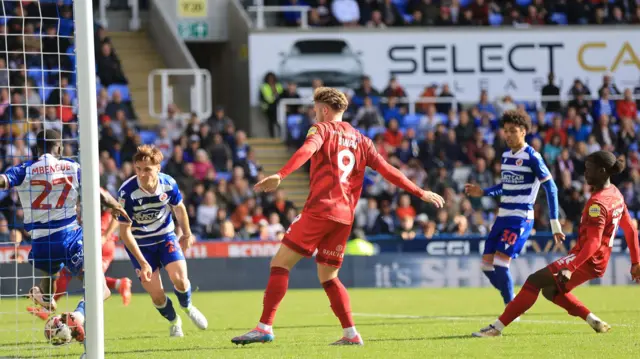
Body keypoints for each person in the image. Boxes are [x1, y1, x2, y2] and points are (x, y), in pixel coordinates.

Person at [231, 87, 444, 346]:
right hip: (344, 217)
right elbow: (389, 170)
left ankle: (264, 327)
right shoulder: (363, 141)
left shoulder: (321, 130)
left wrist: (282, 174)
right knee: (328, 277)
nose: (314, 113)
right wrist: (420, 191)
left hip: (320, 209)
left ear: (324, 109)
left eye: (315, 108)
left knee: (280, 264)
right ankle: (351, 334)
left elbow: (308, 150)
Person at [472, 151, 640, 337]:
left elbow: (594, 241)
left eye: (588, 169)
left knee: (533, 281)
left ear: (601, 171)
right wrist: (635, 262)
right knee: (551, 291)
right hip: (598, 260)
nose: (584, 173)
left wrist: (571, 267)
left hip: (586, 258)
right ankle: (593, 320)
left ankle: (496, 328)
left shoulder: (597, 204)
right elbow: (630, 229)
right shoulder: (615, 193)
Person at [0, 130, 131, 343]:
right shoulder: (72, 167)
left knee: (50, 291)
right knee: (100, 288)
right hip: (69, 236)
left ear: (36, 149)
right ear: (59, 148)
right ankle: (77, 316)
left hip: (41, 242)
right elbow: (97, 193)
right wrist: (115, 206)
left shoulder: (25, 170)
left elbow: (3, 181)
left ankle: (43, 297)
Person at [464, 110, 564, 308]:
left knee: (501, 264)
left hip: (520, 218)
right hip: (502, 217)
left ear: (524, 132)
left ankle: (512, 308)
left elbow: (551, 186)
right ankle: (513, 302)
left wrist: (555, 222)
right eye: (505, 131)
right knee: (486, 266)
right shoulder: (506, 156)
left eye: (513, 131)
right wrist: (484, 192)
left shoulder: (533, 157)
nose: (508, 135)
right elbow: (505, 186)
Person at [117, 145, 208, 337]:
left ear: (158, 168)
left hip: (165, 236)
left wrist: (187, 233)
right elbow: (124, 232)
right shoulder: (127, 192)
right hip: (141, 245)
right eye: (138, 169)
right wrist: (142, 262)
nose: (142, 174)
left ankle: (188, 307)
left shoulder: (168, 184)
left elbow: (179, 207)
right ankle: (175, 322)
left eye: (147, 169)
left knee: (180, 280)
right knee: (157, 295)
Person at [27, 204, 133, 321]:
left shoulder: (93, 193)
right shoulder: (86, 196)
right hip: (92, 241)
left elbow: (116, 209)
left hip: (100, 243)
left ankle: (73, 313)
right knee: (76, 276)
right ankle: (118, 284)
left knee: (91, 280)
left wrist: (106, 235)